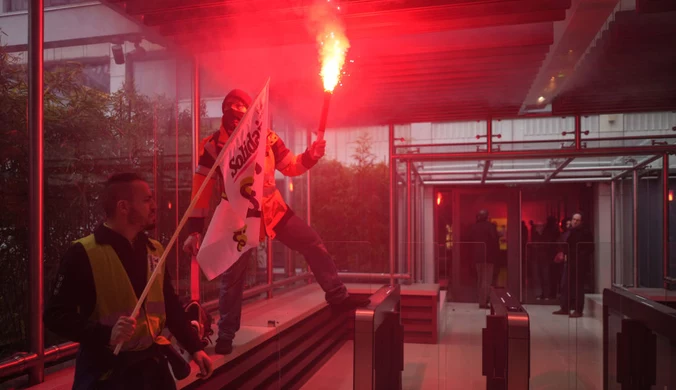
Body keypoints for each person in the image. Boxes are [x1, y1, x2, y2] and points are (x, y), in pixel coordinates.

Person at [183, 89, 370, 355]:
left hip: (273, 210)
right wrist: (194, 231)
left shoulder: (268, 137)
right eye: (229, 104)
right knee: (232, 278)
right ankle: (225, 334)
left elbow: (291, 166)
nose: (234, 108)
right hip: (238, 220)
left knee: (312, 242)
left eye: (240, 105)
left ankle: (337, 296)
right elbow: (200, 189)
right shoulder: (213, 145)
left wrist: (312, 154)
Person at [44, 173, 213, 389]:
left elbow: (169, 305)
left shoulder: (154, 250)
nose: (154, 206)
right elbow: (55, 316)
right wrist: (106, 335)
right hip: (108, 374)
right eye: (146, 199)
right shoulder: (83, 253)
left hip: (153, 370)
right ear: (123, 207)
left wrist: (195, 347)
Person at [553, 212, 593, 318]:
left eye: (577, 220)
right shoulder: (570, 231)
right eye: (574, 219)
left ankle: (578, 309)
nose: (575, 221)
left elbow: (589, 248)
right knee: (565, 285)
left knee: (578, 287)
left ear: (581, 221)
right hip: (570, 262)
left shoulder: (585, 232)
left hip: (579, 264)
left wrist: (579, 257)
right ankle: (565, 307)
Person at [468, 209, 500, 308]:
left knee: (480, 279)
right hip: (488, 257)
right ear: (487, 216)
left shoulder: (473, 227)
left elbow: (469, 240)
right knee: (486, 280)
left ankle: (479, 298)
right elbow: (495, 241)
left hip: (477, 257)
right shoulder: (490, 227)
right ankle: (483, 302)